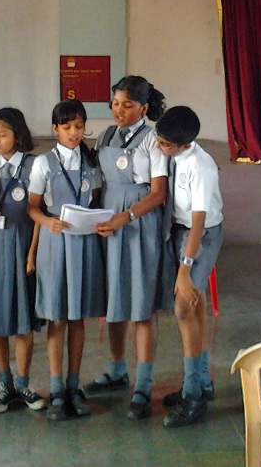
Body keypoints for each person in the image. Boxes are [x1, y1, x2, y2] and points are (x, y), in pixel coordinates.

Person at [87, 76, 169, 421]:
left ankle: (143, 383)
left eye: (128, 105)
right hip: (109, 219)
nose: (119, 111)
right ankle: (117, 370)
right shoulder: (105, 136)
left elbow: (158, 193)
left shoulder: (153, 140)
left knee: (140, 303)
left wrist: (126, 216)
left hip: (138, 221)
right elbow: (97, 180)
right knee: (114, 299)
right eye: (115, 103)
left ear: (144, 108)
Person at [28, 99, 106, 422]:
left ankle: (75, 385)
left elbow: (98, 200)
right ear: (55, 129)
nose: (74, 133)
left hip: (84, 243)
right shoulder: (43, 163)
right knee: (57, 317)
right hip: (55, 242)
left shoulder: (92, 162)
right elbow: (32, 207)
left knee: (78, 318)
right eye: (67, 127)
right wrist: (48, 222)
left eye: (78, 126)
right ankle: (56, 387)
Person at [154, 106, 224, 428]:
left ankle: (193, 395)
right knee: (193, 307)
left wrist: (185, 270)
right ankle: (200, 381)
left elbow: (199, 223)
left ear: (184, 145)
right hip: (181, 231)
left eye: (165, 144)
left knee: (184, 307)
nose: (159, 146)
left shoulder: (200, 166)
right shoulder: (176, 154)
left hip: (202, 235)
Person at [0, 107, 45, 414]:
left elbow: (39, 213)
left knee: (22, 317)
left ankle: (23, 383)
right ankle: (4, 384)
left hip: (23, 245)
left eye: (2, 134)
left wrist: (33, 252)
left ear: (17, 136)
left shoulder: (35, 166)